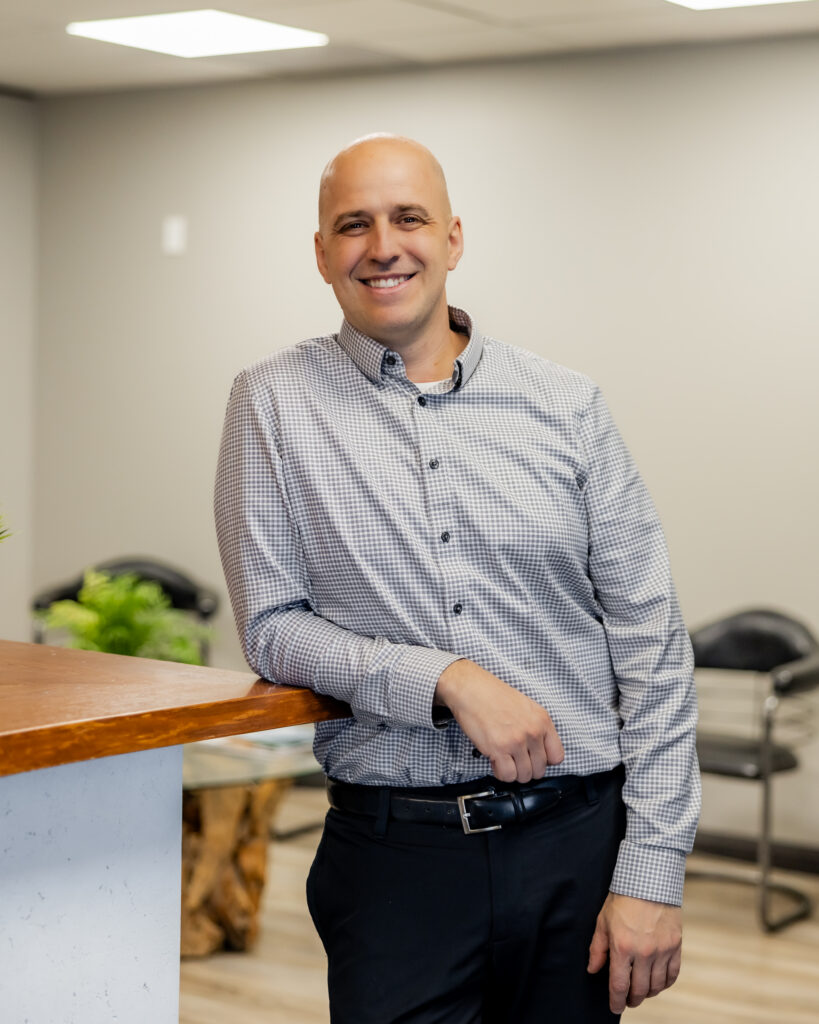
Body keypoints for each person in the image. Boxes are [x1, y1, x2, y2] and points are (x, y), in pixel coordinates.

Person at [214, 133, 700, 1023]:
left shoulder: (565, 404)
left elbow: (652, 646)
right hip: (396, 865)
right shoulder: (272, 401)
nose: (382, 245)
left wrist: (652, 871)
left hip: (575, 846)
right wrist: (442, 678)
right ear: (322, 254)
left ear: (453, 237)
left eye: (408, 217)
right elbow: (272, 625)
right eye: (352, 225)